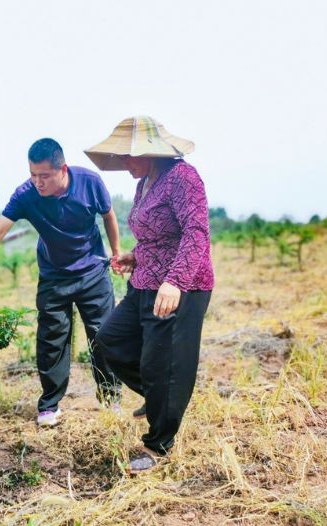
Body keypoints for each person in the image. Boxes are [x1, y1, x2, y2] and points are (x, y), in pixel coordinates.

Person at [85, 116, 214, 473]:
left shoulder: (182, 178)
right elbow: (155, 236)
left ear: (151, 151)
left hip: (180, 285)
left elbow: (195, 232)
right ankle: (160, 397)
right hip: (144, 281)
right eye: (121, 157)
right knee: (109, 340)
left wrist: (176, 281)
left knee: (163, 363)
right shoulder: (145, 183)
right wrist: (134, 255)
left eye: (130, 156)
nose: (125, 163)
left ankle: (158, 446)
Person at [0, 138, 123, 427]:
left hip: (92, 273)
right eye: (33, 175)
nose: (38, 182)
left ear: (62, 169)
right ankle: (49, 405)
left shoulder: (90, 182)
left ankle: (110, 398)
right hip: (54, 276)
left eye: (44, 176)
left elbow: (108, 216)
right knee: (52, 340)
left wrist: (116, 253)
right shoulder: (26, 194)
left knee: (103, 336)